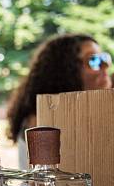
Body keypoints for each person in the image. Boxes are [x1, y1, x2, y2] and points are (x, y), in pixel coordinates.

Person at [7, 34, 111, 167]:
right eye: (94, 60)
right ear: (66, 71)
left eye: (105, 59)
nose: (105, 66)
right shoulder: (42, 120)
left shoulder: (93, 112)